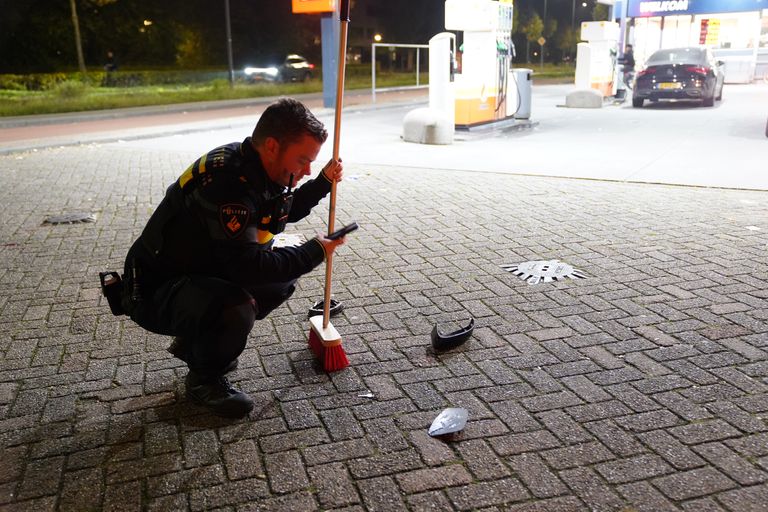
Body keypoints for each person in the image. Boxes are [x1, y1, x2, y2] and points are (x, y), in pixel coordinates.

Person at [121, 98, 346, 418]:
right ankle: (204, 380)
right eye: (303, 160)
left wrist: (322, 182)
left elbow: (281, 212)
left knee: (281, 279)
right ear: (272, 146)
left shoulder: (255, 167)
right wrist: (314, 251)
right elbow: (247, 267)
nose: (306, 169)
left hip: (192, 273)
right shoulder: (228, 183)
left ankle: (197, 343)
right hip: (153, 289)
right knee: (237, 305)